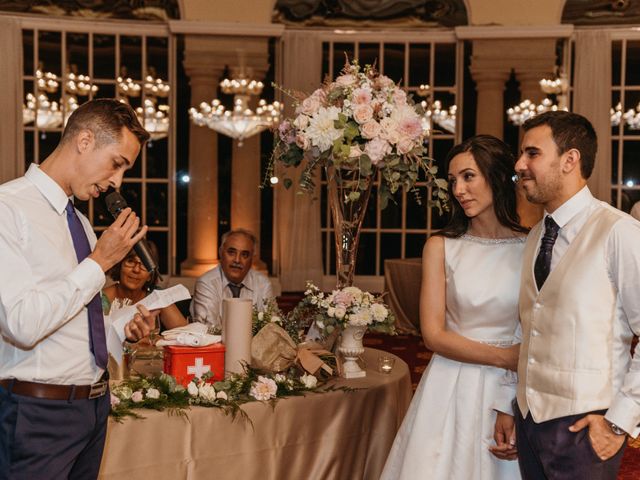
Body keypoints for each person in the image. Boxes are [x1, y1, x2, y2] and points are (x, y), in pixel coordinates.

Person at [0, 98, 159, 479]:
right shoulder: (8, 208)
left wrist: (120, 329)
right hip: (38, 414)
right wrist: (100, 261)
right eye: (117, 163)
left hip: (93, 407)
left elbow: (75, 325)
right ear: (84, 141)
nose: (116, 183)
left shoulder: (82, 225)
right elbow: (21, 324)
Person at [493, 110, 640, 479]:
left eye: (532, 153)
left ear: (570, 159)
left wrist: (620, 421)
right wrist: (509, 404)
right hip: (529, 421)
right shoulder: (535, 236)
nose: (519, 164)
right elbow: (528, 326)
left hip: (586, 427)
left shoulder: (618, 232)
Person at [381, 135, 528, 480]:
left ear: (495, 176)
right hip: (450, 381)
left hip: (509, 385)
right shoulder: (441, 246)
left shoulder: (531, 245)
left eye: (468, 176)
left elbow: (533, 327)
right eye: (453, 180)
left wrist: (513, 388)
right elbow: (432, 335)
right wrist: (506, 357)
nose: (459, 189)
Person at [190, 228, 273, 328]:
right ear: (220, 252)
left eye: (244, 255)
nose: (237, 260)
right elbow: (207, 330)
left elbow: (271, 328)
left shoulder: (263, 284)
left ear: (252, 258)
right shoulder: (206, 283)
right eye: (231, 252)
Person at [102, 245, 187, 330]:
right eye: (130, 261)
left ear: (150, 276)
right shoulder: (102, 299)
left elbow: (186, 334)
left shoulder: (156, 296)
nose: (136, 269)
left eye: (144, 265)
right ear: (119, 266)